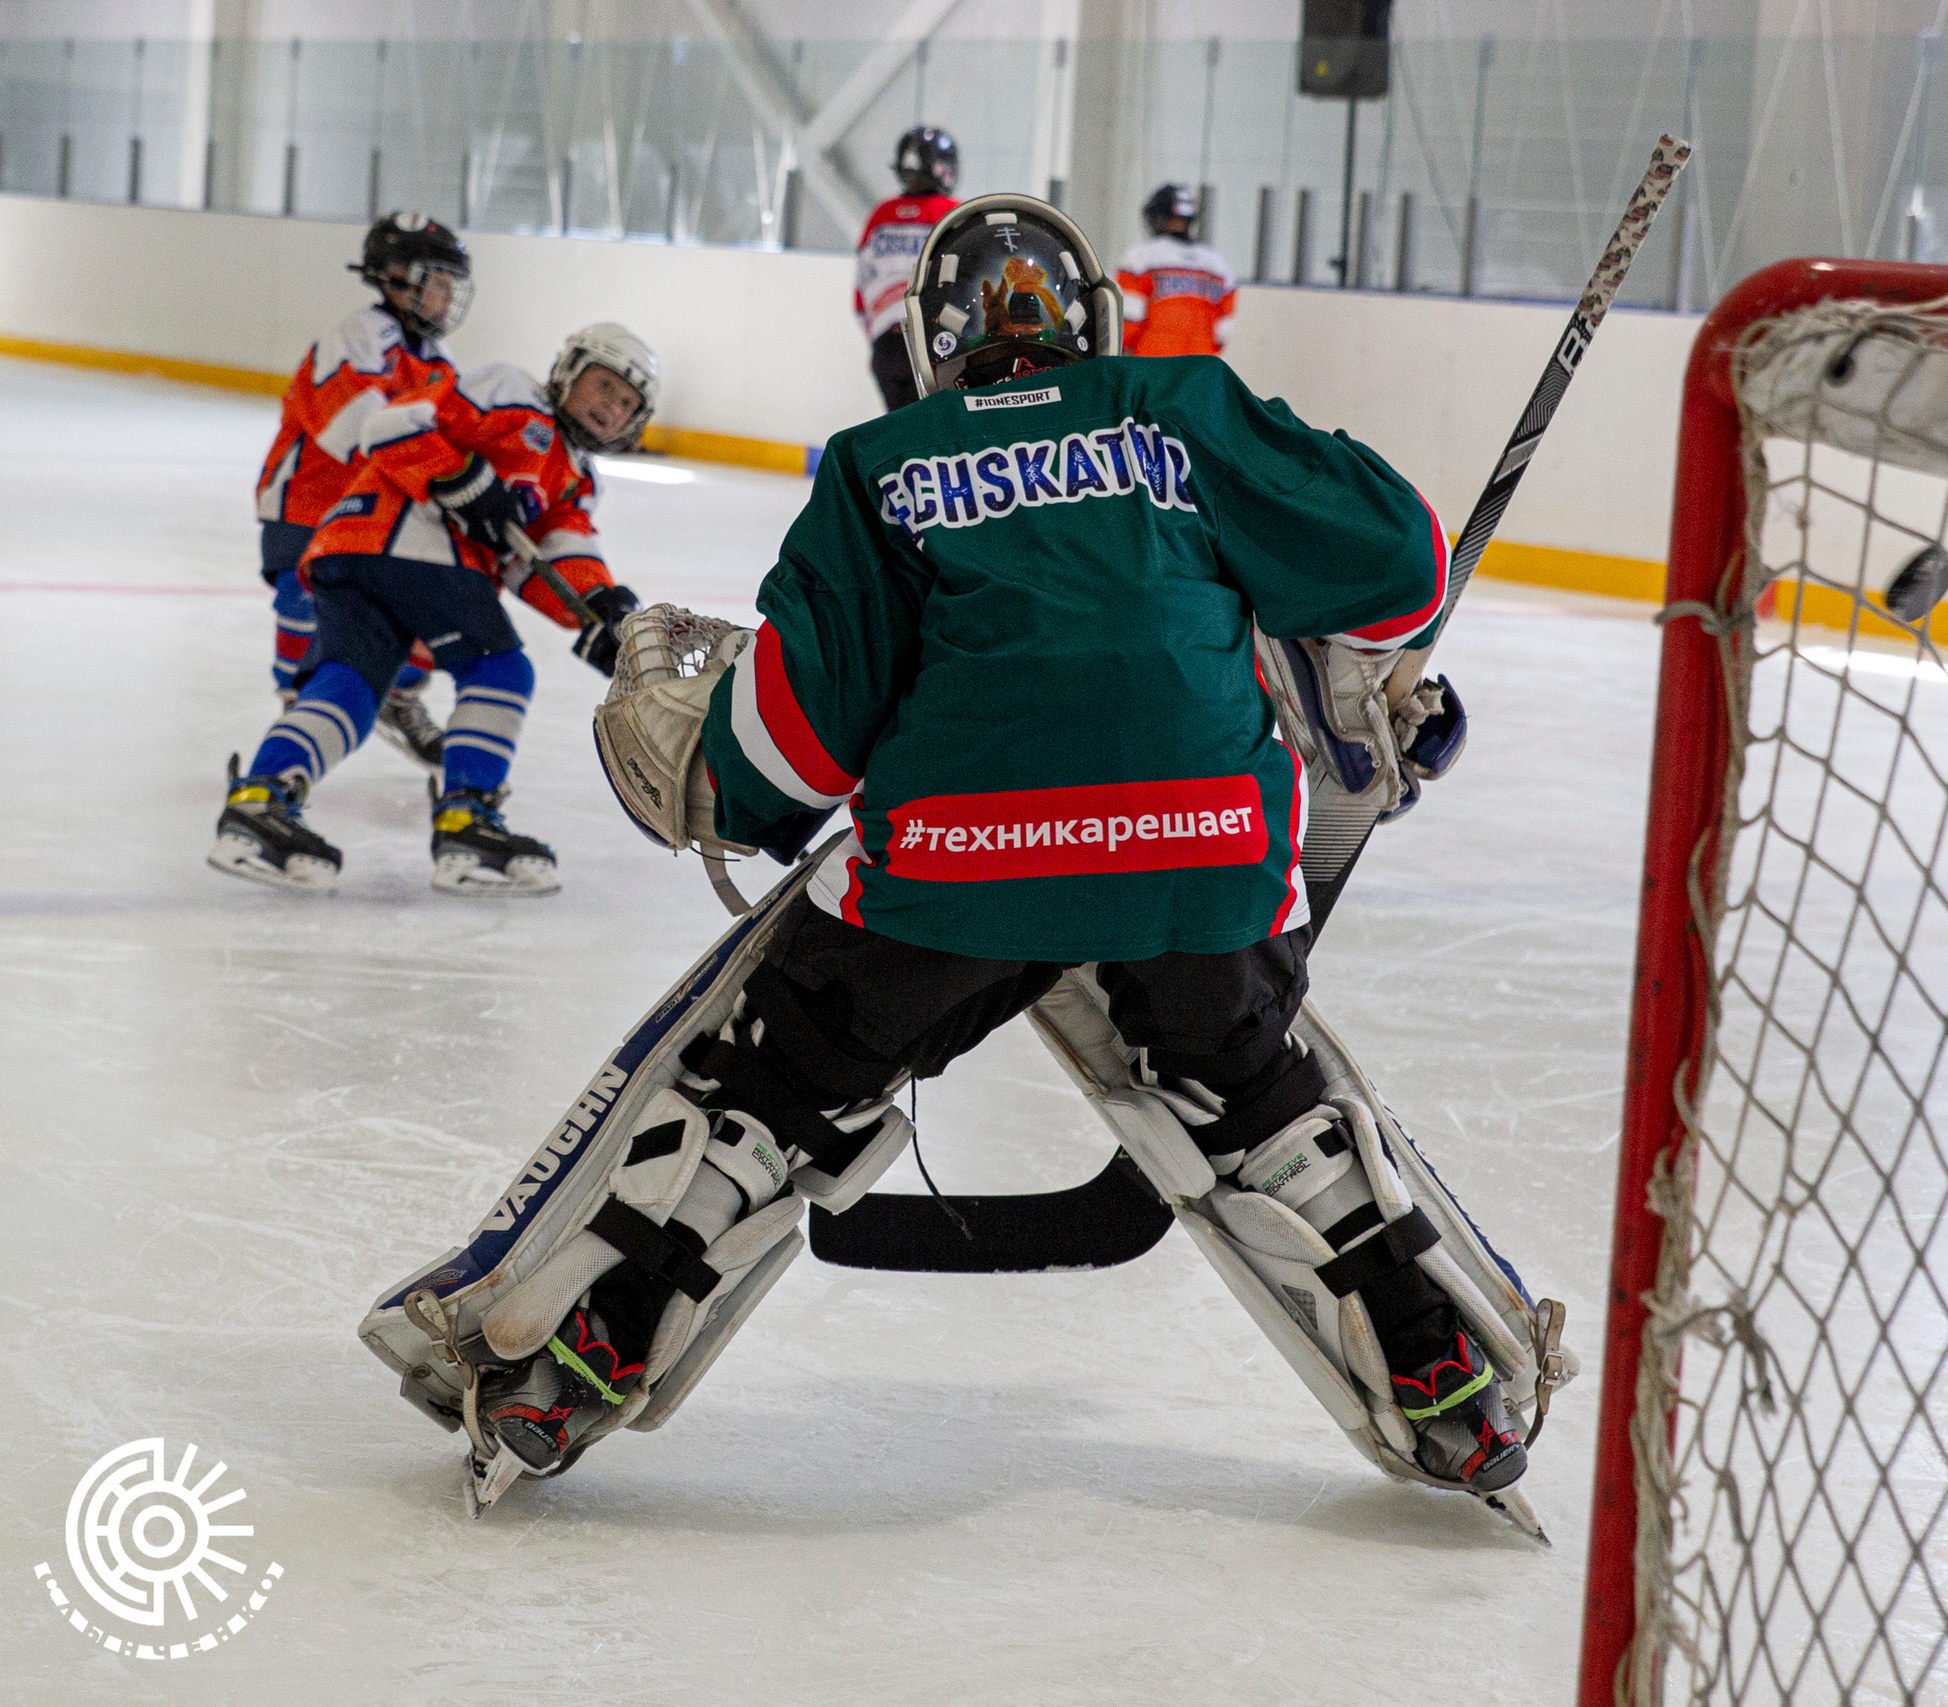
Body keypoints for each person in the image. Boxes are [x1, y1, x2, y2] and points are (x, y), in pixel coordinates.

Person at [418, 195, 1546, 1521]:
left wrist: (723, 738)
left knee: (779, 1077)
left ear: (930, 337)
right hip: (1202, 853)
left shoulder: (881, 463)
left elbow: (786, 758)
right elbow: (1399, 572)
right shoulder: (1182, 405)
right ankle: (1440, 1367)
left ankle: (583, 1350)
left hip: (959, 868)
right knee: (1253, 1083)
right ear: (1087, 319)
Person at [209, 325, 656, 897]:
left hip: (350, 551)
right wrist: (456, 474)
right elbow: (391, 425)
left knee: (351, 683)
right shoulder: (512, 393)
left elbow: (544, 556)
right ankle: (465, 823)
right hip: (408, 540)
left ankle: (257, 804)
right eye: (602, 386)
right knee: (500, 670)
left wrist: (598, 611)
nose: (609, 407)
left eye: (626, 403)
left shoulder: (574, 479)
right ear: (567, 373)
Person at [256, 212, 472, 768]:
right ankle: (297, 708)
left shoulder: (438, 362)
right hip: (307, 503)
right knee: (302, 602)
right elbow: (361, 430)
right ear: (397, 277)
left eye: (452, 284)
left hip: (372, 512)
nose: (447, 297)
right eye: (438, 281)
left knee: (438, 598)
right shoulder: (360, 334)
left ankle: (398, 697)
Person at [851, 126, 961, 412]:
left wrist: (878, 339)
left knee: (901, 430)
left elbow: (860, 296)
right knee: (934, 433)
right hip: (935, 345)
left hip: (886, 347)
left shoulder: (880, 216)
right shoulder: (953, 213)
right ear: (941, 168)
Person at [1114, 183, 1235, 359]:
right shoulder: (1217, 264)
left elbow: (1130, 318)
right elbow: (1224, 327)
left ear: (1158, 216)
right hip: (1199, 367)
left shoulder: (1140, 258)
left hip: (1153, 365)